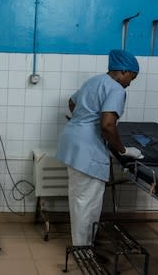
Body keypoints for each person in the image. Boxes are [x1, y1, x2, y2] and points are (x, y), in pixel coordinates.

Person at [56, 49, 144, 246]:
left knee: (80, 200)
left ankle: (82, 244)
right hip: (87, 149)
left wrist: (83, 119)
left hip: (72, 142)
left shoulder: (94, 81)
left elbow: (72, 102)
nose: (131, 82)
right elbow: (107, 125)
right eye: (132, 76)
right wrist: (123, 150)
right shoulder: (116, 89)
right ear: (123, 71)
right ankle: (83, 249)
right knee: (87, 203)